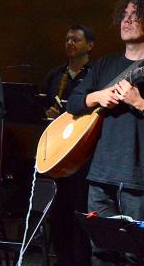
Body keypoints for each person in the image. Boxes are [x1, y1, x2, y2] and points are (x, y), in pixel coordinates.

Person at [66, 0, 144, 266]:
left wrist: (140, 103)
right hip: (101, 176)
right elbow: (74, 103)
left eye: (136, 16)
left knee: (138, 256)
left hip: (143, 179)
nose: (127, 20)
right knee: (101, 253)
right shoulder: (105, 65)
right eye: (124, 15)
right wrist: (98, 96)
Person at [41, 25, 95, 266]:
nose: (70, 43)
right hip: (56, 154)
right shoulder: (55, 75)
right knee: (58, 213)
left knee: (79, 211)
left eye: (76, 39)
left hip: (82, 155)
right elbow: (40, 106)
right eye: (67, 39)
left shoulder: (94, 75)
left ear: (90, 45)